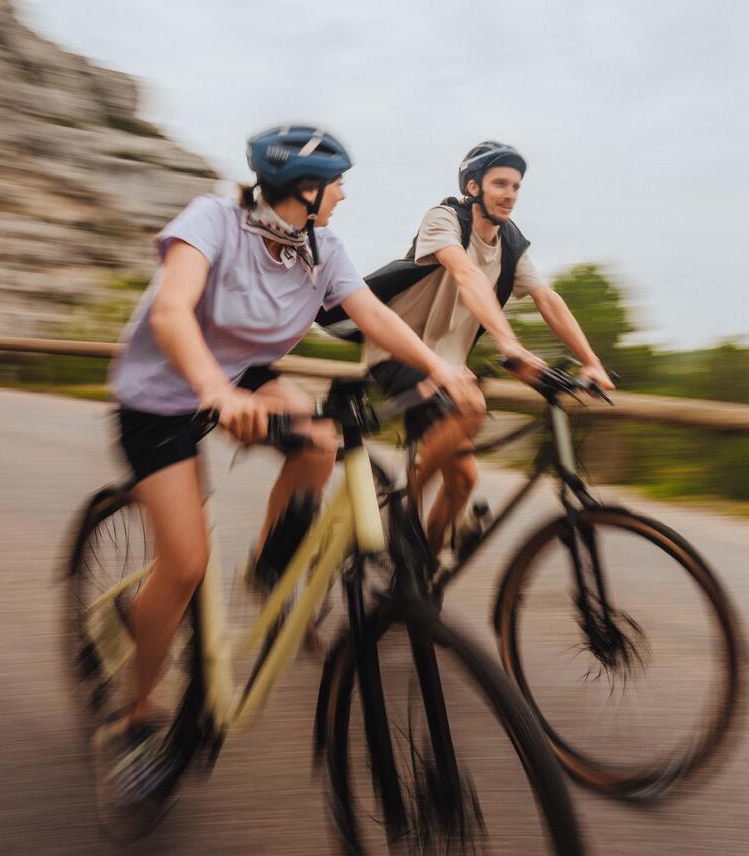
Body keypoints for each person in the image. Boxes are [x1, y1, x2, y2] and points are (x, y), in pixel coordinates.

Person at [100, 123, 482, 801]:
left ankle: (272, 564)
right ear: (304, 189)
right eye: (337, 185)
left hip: (238, 377)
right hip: (160, 397)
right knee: (185, 563)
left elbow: (374, 317)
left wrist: (439, 370)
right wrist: (212, 391)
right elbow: (171, 312)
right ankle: (133, 717)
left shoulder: (318, 249)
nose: (342, 196)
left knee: (325, 437)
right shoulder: (214, 221)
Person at [326, 141, 614, 555]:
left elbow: (546, 299)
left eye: (516, 186)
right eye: (500, 183)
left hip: (450, 368)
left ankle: (420, 573)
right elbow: (464, 273)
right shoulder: (445, 219)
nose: (510, 194)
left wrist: (591, 361)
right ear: (474, 186)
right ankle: (405, 512)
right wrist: (509, 345)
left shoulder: (511, 244)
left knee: (464, 482)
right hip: (399, 354)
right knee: (472, 408)